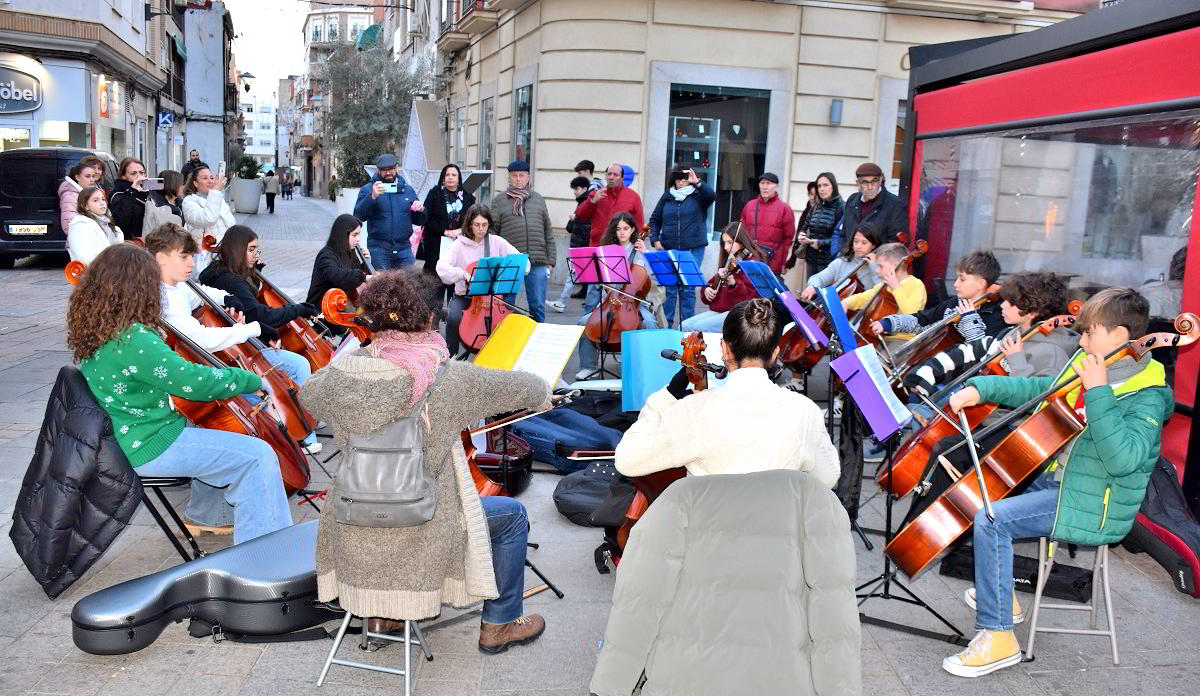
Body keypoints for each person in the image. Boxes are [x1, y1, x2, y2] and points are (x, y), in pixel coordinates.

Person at [298, 270, 552, 652]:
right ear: (429, 318)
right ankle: (499, 625)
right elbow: (529, 388)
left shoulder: (342, 374)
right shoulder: (447, 378)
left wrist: (365, 350)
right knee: (512, 516)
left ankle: (383, 615)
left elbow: (307, 393)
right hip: (420, 529)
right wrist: (544, 393)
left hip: (353, 526)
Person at [941, 287, 1172, 678]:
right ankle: (1005, 598)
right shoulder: (1090, 359)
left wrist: (1097, 390)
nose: (1081, 342)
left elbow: (1122, 461)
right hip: (1063, 482)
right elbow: (1041, 390)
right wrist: (983, 388)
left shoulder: (1147, 396)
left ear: (1119, 336)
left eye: (1090, 333)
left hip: (1097, 502)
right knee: (983, 488)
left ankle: (998, 639)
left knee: (993, 519)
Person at [66, 244, 292, 545]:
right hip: (148, 442)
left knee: (214, 429)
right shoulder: (134, 339)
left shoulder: (102, 329)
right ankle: (265, 554)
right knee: (258, 455)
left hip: (127, 433)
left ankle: (210, 517)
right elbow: (193, 382)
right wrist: (248, 380)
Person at [145, 222, 297, 534]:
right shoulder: (162, 296)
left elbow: (198, 293)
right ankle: (260, 546)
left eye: (192, 257)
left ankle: (208, 514)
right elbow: (198, 339)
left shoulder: (176, 287)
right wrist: (253, 330)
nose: (192, 264)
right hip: (173, 395)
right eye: (184, 257)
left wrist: (226, 297)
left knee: (218, 429)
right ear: (160, 258)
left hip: (179, 387)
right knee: (231, 437)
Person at [616, 298, 839, 484]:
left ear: (725, 349)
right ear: (775, 354)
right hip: (779, 534)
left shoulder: (694, 411)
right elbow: (828, 478)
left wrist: (666, 397)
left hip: (709, 534)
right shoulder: (805, 411)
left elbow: (627, 460)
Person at [198, 225, 323, 453]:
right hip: (240, 348)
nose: (256, 254)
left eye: (258, 250)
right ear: (237, 250)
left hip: (238, 343)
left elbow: (249, 313)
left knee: (292, 369)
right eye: (252, 249)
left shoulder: (217, 272)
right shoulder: (232, 281)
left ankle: (304, 421)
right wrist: (296, 310)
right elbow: (260, 314)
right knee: (300, 364)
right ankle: (305, 431)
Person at [904, 272, 1072, 398]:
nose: (1003, 306)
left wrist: (1018, 361)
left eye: (1011, 303)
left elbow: (1038, 401)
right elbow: (968, 352)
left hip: (1003, 427)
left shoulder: (1053, 353)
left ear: (1032, 312)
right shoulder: (1012, 333)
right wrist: (922, 377)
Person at [574, 212, 659, 380]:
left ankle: (649, 366)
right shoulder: (606, 252)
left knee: (649, 322)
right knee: (584, 322)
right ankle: (588, 366)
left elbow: (652, 275)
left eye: (626, 228)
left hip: (634, 302)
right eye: (618, 229)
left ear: (633, 229)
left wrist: (647, 253)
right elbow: (600, 279)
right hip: (610, 300)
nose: (622, 232)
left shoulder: (640, 251)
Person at [436, 204, 523, 357]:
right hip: (465, 298)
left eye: (484, 224)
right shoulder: (459, 244)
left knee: (513, 321)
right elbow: (441, 266)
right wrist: (461, 274)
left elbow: (522, 262)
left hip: (492, 299)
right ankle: (451, 357)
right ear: (470, 224)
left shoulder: (497, 242)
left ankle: (502, 359)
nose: (481, 229)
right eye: (477, 224)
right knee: (453, 317)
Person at [872, 250, 1005, 343]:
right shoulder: (955, 303)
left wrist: (969, 317)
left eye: (962, 279)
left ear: (980, 284)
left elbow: (980, 349)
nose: (955, 284)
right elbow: (923, 320)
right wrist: (889, 323)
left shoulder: (995, 314)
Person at [647, 166, 716, 328]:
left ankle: (687, 327)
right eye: (678, 178)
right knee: (670, 288)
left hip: (693, 248)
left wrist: (697, 181)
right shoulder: (667, 196)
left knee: (688, 287)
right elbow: (655, 220)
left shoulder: (698, 195)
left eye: (685, 178)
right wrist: (655, 240)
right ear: (674, 180)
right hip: (669, 249)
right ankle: (668, 327)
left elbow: (711, 196)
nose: (681, 181)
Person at [489, 160, 555, 322]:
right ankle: (504, 338)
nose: (518, 179)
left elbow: (548, 229)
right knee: (505, 304)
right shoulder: (499, 201)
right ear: (510, 178)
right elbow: (492, 232)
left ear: (528, 177)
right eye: (514, 176)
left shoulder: (538, 199)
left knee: (537, 305)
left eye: (521, 175)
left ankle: (537, 339)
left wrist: (551, 259)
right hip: (510, 261)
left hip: (538, 259)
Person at [680, 222, 765, 334]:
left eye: (730, 242)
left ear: (741, 241)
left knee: (699, 327)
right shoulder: (733, 260)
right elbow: (714, 283)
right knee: (684, 326)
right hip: (723, 310)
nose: (726, 247)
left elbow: (750, 299)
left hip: (742, 314)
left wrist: (734, 285)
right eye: (724, 243)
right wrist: (707, 290)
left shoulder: (754, 262)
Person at [843, 241, 928, 342]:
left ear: (895, 266)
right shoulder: (884, 285)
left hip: (902, 341)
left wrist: (896, 288)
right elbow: (865, 297)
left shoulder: (916, 285)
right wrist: (846, 303)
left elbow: (912, 316)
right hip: (880, 339)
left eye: (881, 266)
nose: (877, 270)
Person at [353, 154, 426, 270]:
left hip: (404, 249)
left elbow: (420, 220)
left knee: (408, 286)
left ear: (396, 168)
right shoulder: (368, 189)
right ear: (378, 170)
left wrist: (421, 210)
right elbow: (358, 216)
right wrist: (372, 197)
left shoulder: (407, 190)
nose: (388, 173)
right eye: (384, 170)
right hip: (379, 250)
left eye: (391, 169)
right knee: (382, 286)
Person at [417, 164, 475, 308]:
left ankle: (452, 322)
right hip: (436, 246)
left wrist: (460, 230)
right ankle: (432, 325)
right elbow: (426, 218)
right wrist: (444, 231)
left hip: (459, 246)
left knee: (456, 288)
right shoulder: (434, 193)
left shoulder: (468, 198)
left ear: (459, 178)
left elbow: (473, 220)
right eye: (447, 175)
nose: (450, 177)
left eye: (453, 175)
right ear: (443, 178)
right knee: (433, 289)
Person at [799, 220, 888, 303]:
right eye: (856, 241)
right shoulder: (842, 262)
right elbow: (819, 278)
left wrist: (874, 268)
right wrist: (813, 287)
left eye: (864, 243)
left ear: (873, 245)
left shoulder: (880, 267)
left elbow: (883, 294)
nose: (858, 246)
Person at [837, 162, 906, 258]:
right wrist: (843, 255)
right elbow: (844, 234)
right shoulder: (852, 200)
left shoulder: (894, 204)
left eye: (874, 181)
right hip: (850, 261)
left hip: (877, 265)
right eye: (865, 182)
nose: (870, 187)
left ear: (881, 180)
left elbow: (895, 243)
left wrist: (877, 261)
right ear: (858, 183)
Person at [306, 213, 371, 314]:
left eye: (358, 234)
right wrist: (363, 277)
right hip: (321, 310)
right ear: (342, 235)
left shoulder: (349, 252)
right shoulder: (326, 255)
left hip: (339, 306)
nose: (358, 239)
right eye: (354, 235)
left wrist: (366, 263)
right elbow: (337, 276)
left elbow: (355, 273)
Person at [547, 175, 593, 312]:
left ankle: (562, 302)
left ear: (584, 188)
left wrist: (576, 218)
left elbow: (582, 227)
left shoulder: (586, 203)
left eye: (576, 189)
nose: (574, 191)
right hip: (581, 245)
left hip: (581, 246)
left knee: (572, 275)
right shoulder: (584, 201)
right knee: (577, 276)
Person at [182, 165, 235, 274]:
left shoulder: (219, 199)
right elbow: (208, 218)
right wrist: (215, 191)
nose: (210, 181)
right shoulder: (189, 202)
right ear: (195, 183)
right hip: (206, 259)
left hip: (226, 255)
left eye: (211, 177)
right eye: (205, 178)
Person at [575, 163, 645, 247]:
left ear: (622, 177)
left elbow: (639, 225)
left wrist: (635, 246)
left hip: (621, 247)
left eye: (615, 175)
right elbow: (580, 215)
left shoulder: (633, 197)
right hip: (597, 246)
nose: (611, 177)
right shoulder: (596, 194)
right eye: (609, 174)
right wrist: (592, 201)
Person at [739, 172, 795, 275]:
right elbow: (741, 234)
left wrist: (783, 263)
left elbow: (788, 240)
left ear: (776, 186)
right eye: (762, 183)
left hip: (773, 262)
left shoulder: (785, 209)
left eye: (768, 183)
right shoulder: (749, 206)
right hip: (750, 260)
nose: (765, 187)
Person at [794, 172, 844, 280]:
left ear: (833, 187)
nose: (822, 189)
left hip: (829, 262)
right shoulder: (816, 206)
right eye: (819, 186)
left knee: (823, 295)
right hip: (811, 258)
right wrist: (801, 235)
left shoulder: (841, 207)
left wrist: (820, 243)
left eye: (825, 185)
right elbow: (805, 226)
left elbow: (842, 238)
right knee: (811, 293)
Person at [66, 186, 121, 264]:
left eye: (103, 199)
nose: (102, 203)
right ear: (85, 206)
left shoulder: (107, 224)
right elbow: (84, 258)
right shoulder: (81, 226)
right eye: (95, 200)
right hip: (94, 273)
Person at [109, 157, 150, 240]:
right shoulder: (118, 194)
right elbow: (121, 220)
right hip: (130, 242)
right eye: (133, 173)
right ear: (123, 176)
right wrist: (132, 190)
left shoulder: (146, 191)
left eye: (142, 173)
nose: (139, 176)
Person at [786, 180, 818, 272]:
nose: (812, 197)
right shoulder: (806, 210)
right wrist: (793, 257)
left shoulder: (820, 211)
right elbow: (799, 234)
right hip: (804, 253)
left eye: (815, 194)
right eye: (810, 194)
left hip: (816, 254)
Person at [58, 161, 99, 232]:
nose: (92, 180)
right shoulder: (70, 196)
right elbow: (68, 225)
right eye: (88, 176)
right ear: (77, 177)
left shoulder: (94, 192)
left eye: (93, 176)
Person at [142, 169, 186, 235]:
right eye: (182, 184)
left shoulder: (182, 204)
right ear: (172, 184)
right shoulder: (154, 204)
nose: (184, 187)